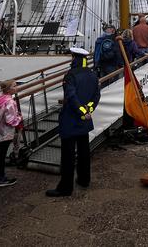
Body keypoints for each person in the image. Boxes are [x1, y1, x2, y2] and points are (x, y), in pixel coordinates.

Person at [46, 47, 100, 197]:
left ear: (74, 58)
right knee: (83, 152)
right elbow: (96, 96)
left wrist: (81, 111)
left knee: (68, 155)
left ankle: (65, 188)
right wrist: (87, 110)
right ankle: (84, 179)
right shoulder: (92, 74)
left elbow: (71, 96)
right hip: (85, 120)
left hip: (71, 119)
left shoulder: (70, 75)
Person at [0, 80, 22, 187]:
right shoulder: (10, 102)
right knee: (1, 155)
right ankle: (1, 178)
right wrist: (19, 117)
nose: (17, 87)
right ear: (9, 89)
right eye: (15, 86)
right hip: (6, 132)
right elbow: (10, 120)